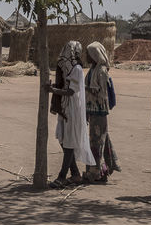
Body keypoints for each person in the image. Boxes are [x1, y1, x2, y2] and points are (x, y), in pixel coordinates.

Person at [49, 41, 94, 187]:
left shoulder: (77, 69)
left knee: (69, 142)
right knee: (63, 140)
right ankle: (75, 174)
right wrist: (55, 88)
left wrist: (53, 91)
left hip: (72, 107)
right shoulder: (68, 69)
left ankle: (62, 176)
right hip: (65, 106)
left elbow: (70, 91)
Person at [83, 42, 118, 182]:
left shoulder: (101, 71)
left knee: (97, 142)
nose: (86, 56)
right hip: (93, 110)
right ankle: (104, 168)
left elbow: (101, 93)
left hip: (99, 111)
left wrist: (84, 88)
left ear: (95, 55)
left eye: (88, 54)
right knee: (98, 140)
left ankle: (95, 172)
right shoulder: (93, 69)